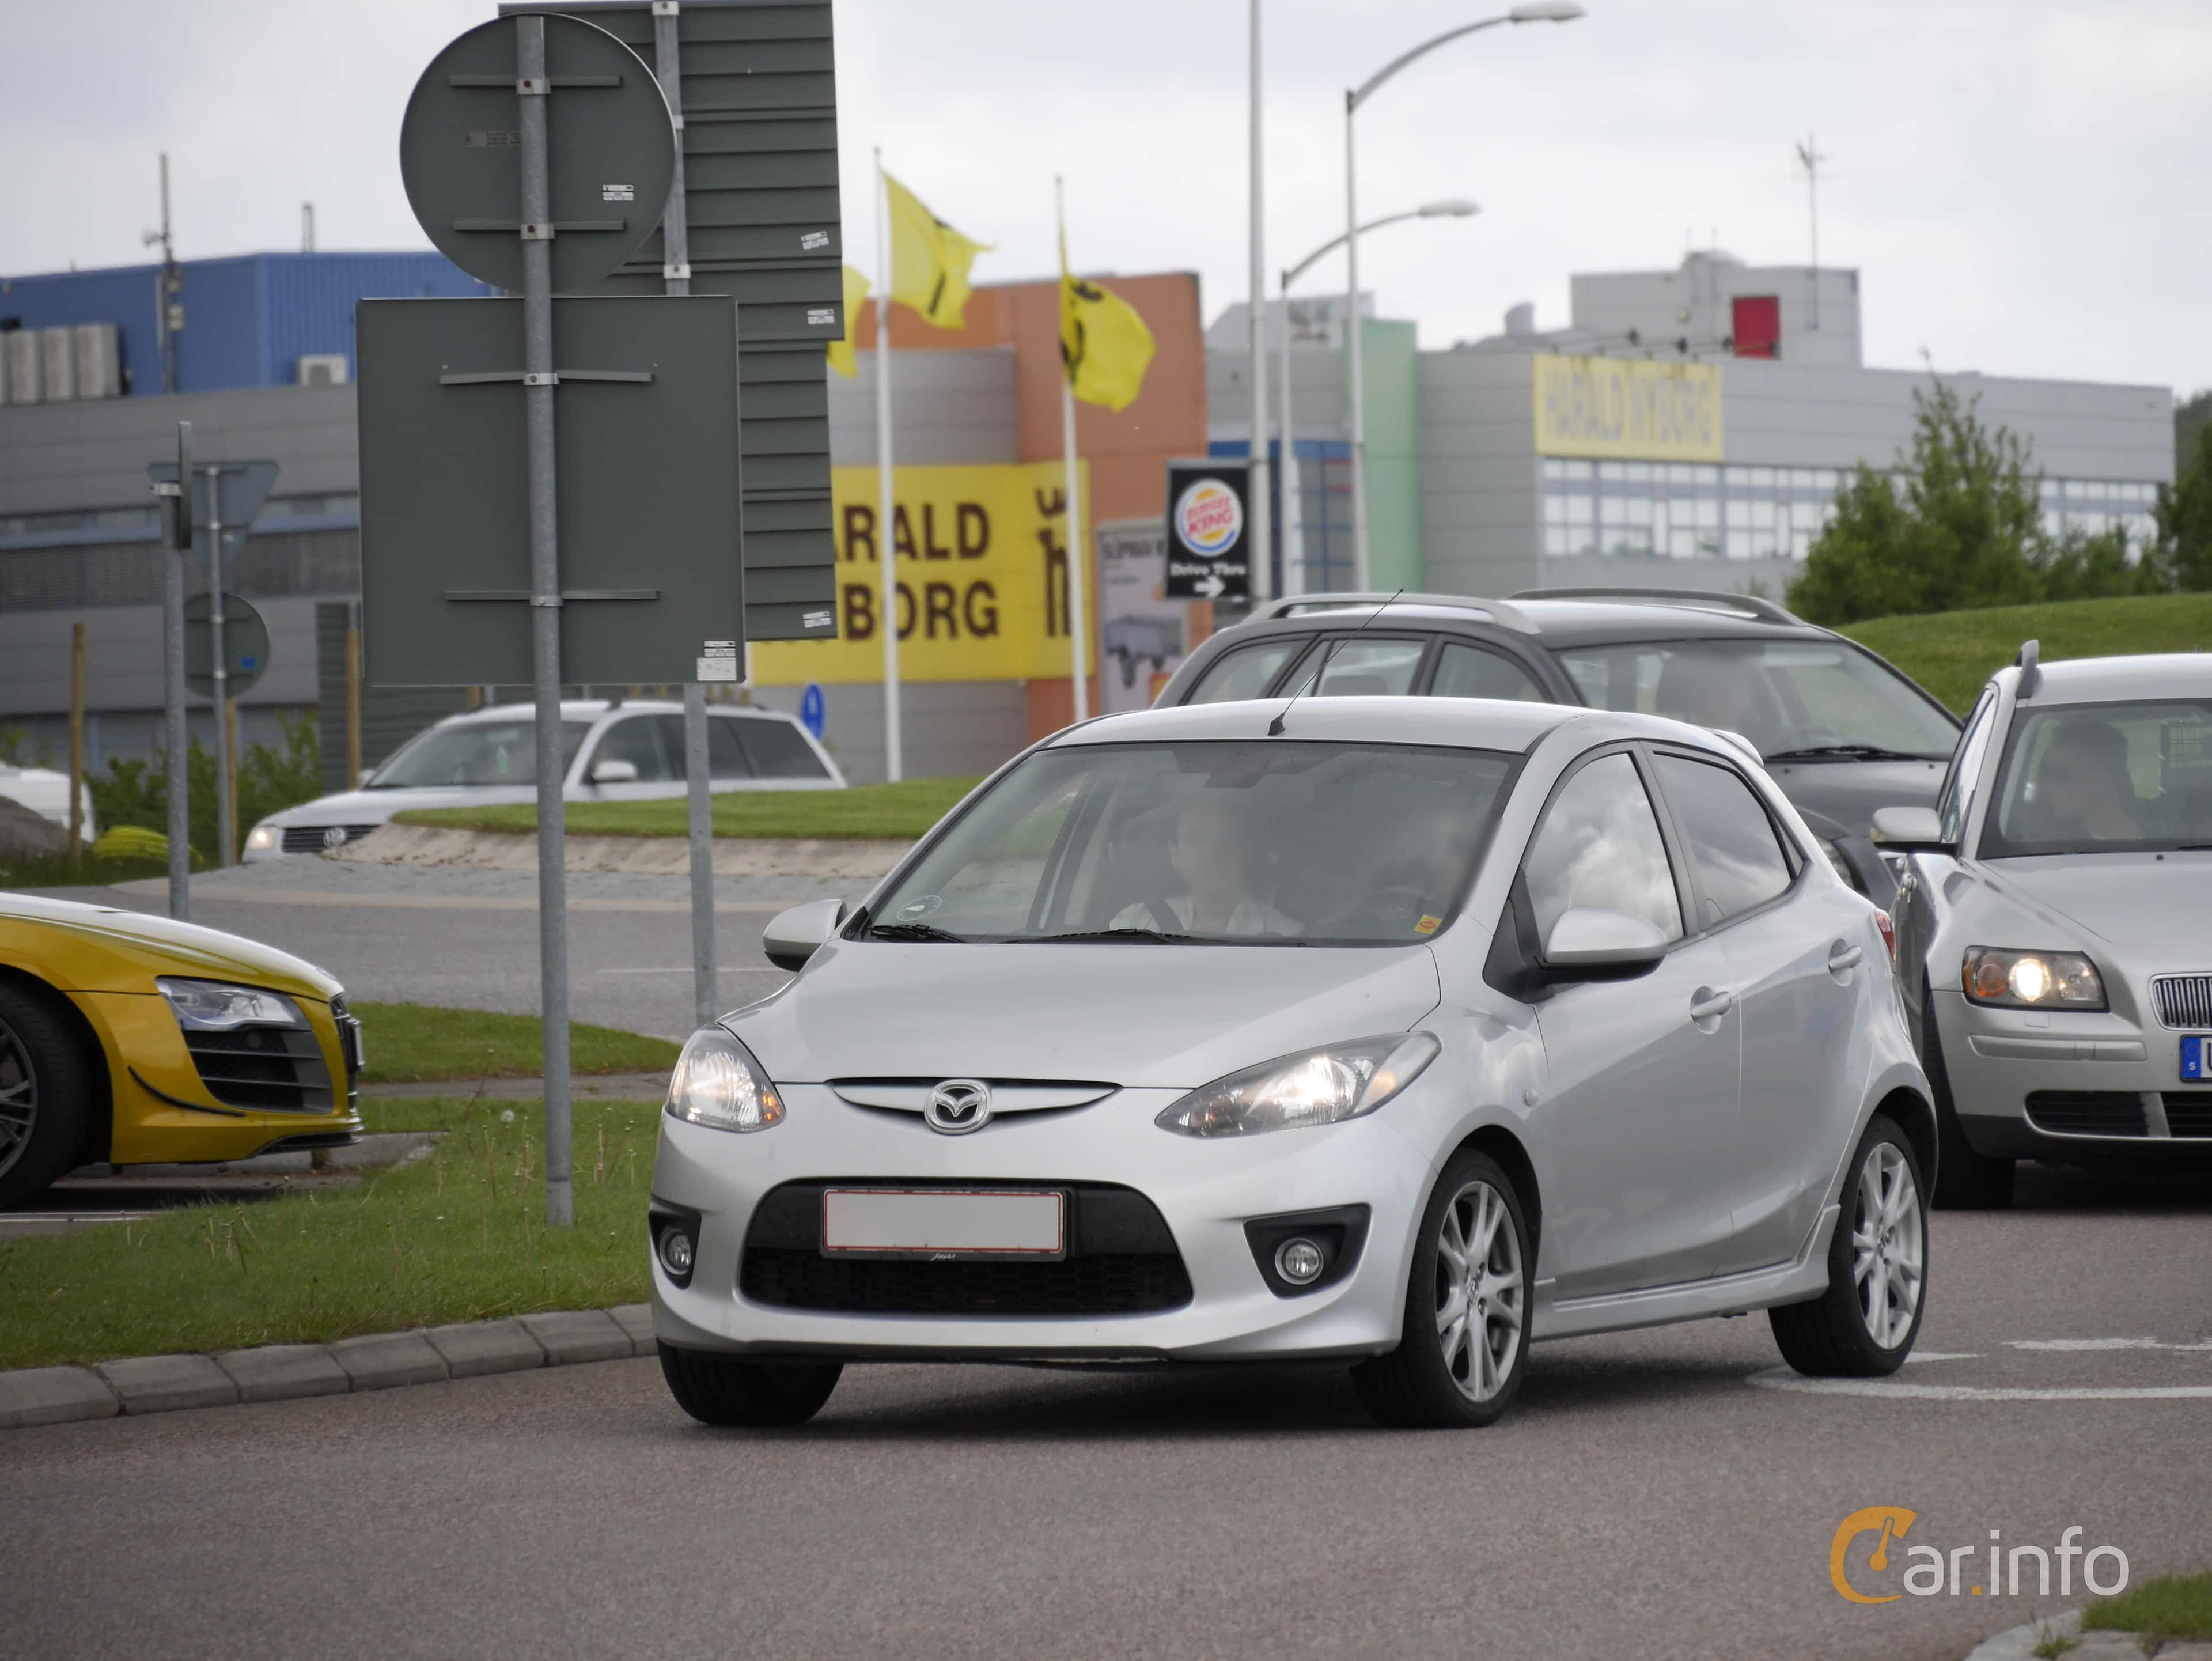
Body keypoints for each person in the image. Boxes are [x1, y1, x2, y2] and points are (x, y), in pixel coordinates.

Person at [1113, 796, 1300, 936]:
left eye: (1227, 841)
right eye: (1195, 840)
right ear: (1174, 853)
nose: (1211, 854)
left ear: (1246, 853)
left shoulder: (1288, 934)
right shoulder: (1132, 923)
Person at [2027, 720, 2142, 843]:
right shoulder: (2049, 840)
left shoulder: (2138, 857)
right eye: (2047, 774)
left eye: (2061, 775)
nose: (2047, 786)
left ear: (2101, 777)